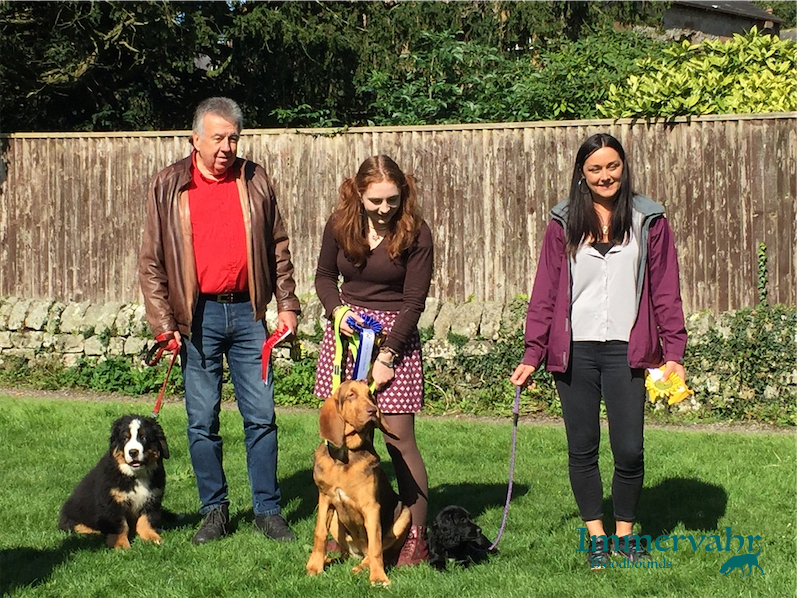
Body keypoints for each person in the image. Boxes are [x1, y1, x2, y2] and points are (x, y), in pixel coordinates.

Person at [510, 133, 687, 569]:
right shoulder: (563, 221)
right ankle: (597, 538)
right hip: (576, 352)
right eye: (595, 169)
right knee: (583, 447)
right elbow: (545, 292)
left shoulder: (649, 220)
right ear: (582, 175)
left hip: (631, 349)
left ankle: (625, 536)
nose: (605, 175)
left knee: (629, 449)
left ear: (623, 168)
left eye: (612, 166)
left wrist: (674, 350)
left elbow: (666, 290)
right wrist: (533, 353)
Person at [138, 97, 300, 545]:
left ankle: (268, 509)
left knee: (262, 416)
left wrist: (287, 304)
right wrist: (163, 322)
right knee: (200, 422)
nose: (227, 147)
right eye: (218, 138)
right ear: (195, 139)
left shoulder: (255, 180)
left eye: (234, 138)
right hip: (197, 318)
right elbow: (151, 262)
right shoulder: (168, 185)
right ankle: (215, 512)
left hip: (249, 313)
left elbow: (278, 248)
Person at [313, 155, 434, 566]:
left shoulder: (417, 233)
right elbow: (324, 277)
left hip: (395, 339)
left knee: (400, 442)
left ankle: (415, 537)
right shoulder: (338, 224)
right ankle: (336, 530)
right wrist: (338, 312)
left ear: (404, 194)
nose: (384, 210)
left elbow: (415, 300)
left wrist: (388, 355)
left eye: (393, 201)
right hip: (346, 339)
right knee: (338, 440)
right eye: (376, 201)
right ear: (358, 193)